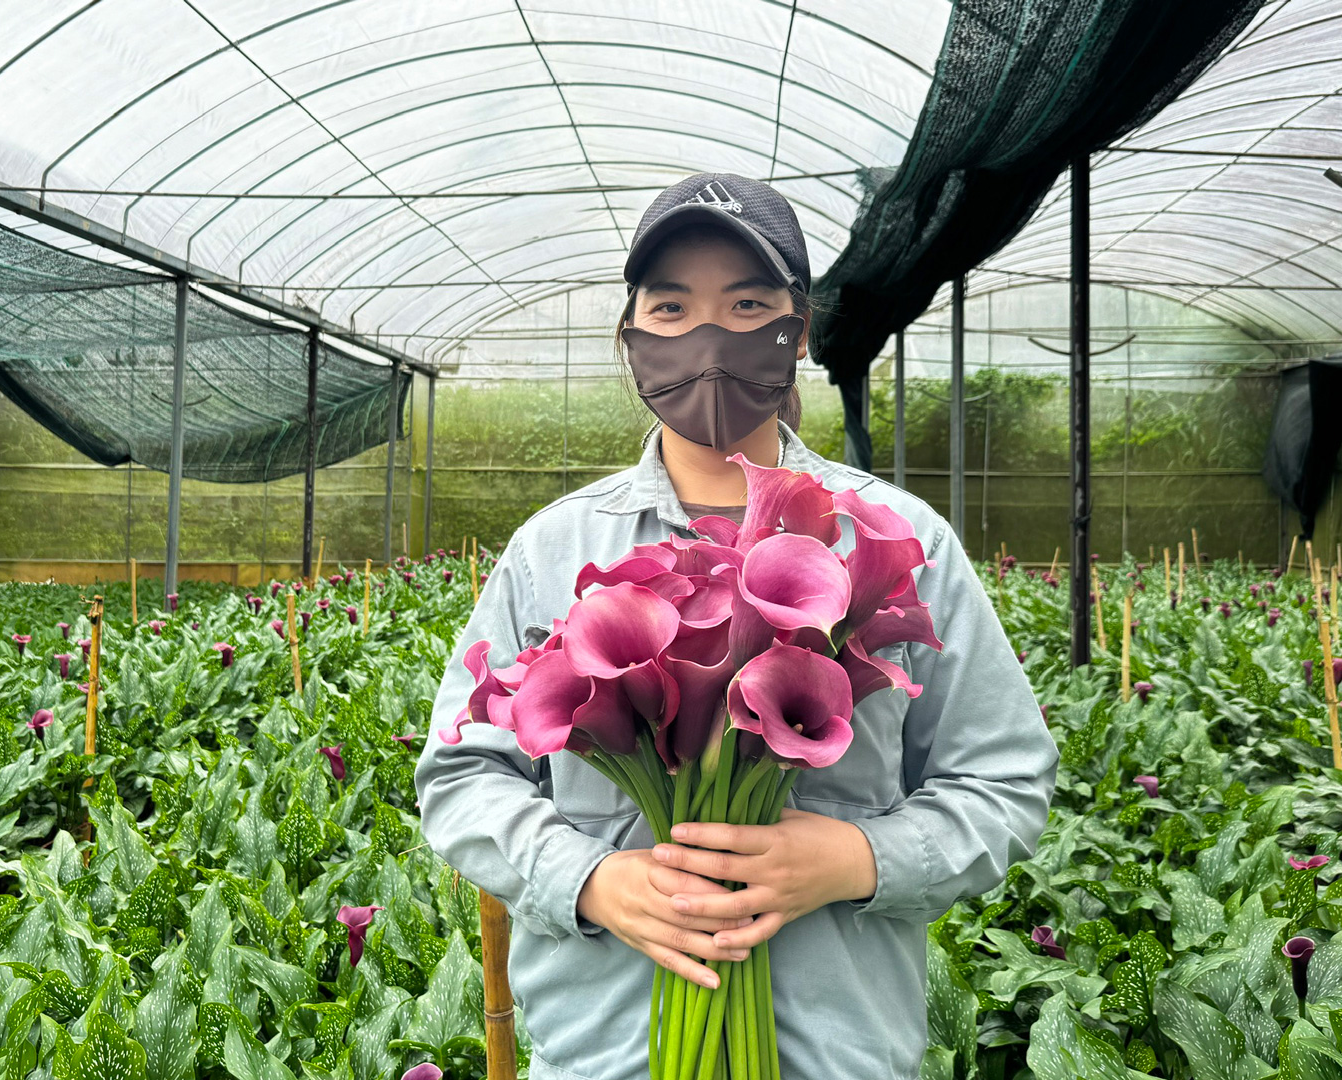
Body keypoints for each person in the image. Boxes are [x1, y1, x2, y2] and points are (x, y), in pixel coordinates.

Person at [414, 172, 1058, 1080]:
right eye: (670, 308)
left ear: (797, 330)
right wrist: (592, 881)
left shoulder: (902, 537)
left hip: (835, 1053)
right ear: (630, 336)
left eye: (747, 303)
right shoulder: (551, 551)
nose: (707, 336)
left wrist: (855, 859)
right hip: (608, 1054)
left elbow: (1005, 779)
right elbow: (460, 773)